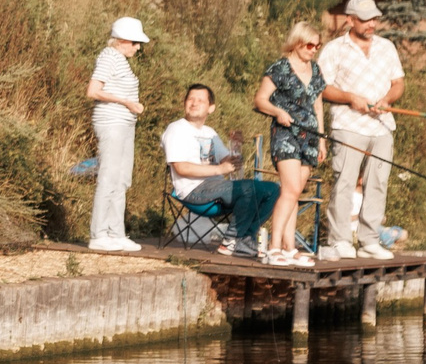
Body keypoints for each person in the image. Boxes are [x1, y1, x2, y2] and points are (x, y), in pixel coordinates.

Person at [318, 0, 404, 261]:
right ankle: (340, 240)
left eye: (375, 19)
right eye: (366, 20)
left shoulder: (387, 47)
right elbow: (322, 87)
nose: (371, 25)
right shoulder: (333, 49)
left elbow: (398, 83)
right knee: (344, 182)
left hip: (381, 127)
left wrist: (387, 100)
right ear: (350, 20)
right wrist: (351, 98)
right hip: (348, 126)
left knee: (377, 183)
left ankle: (369, 240)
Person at [161, 83, 278, 252]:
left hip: (217, 189)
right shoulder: (176, 129)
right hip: (193, 190)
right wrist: (219, 170)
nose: (194, 103)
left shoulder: (209, 132)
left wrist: (236, 149)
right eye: (190, 99)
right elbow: (181, 168)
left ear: (211, 108)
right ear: (184, 103)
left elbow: (229, 161)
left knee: (273, 189)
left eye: (200, 100)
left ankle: (245, 237)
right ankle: (232, 239)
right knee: (248, 188)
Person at [253, 22, 328, 268]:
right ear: (297, 42)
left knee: (296, 192)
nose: (313, 49)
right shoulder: (280, 68)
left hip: (310, 137)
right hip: (285, 133)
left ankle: (289, 248)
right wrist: (277, 112)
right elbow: (260, 100)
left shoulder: (315, 70)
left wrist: (322, 139)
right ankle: (273, 247)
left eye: (317, 45)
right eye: (309, 45)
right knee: (290, 189)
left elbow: (318, 106)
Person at [84, 17, 150, 252]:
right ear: (122, 40)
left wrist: (130, 107)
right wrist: (126, 102)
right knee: (109, 176)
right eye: (134, 42)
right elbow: (93, 91)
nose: (138, 47)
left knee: (121, 178)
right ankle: (99, 234)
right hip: (111, 122)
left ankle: (116, 232)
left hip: (124, 124)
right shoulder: (109, 56)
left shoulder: (119, 59)